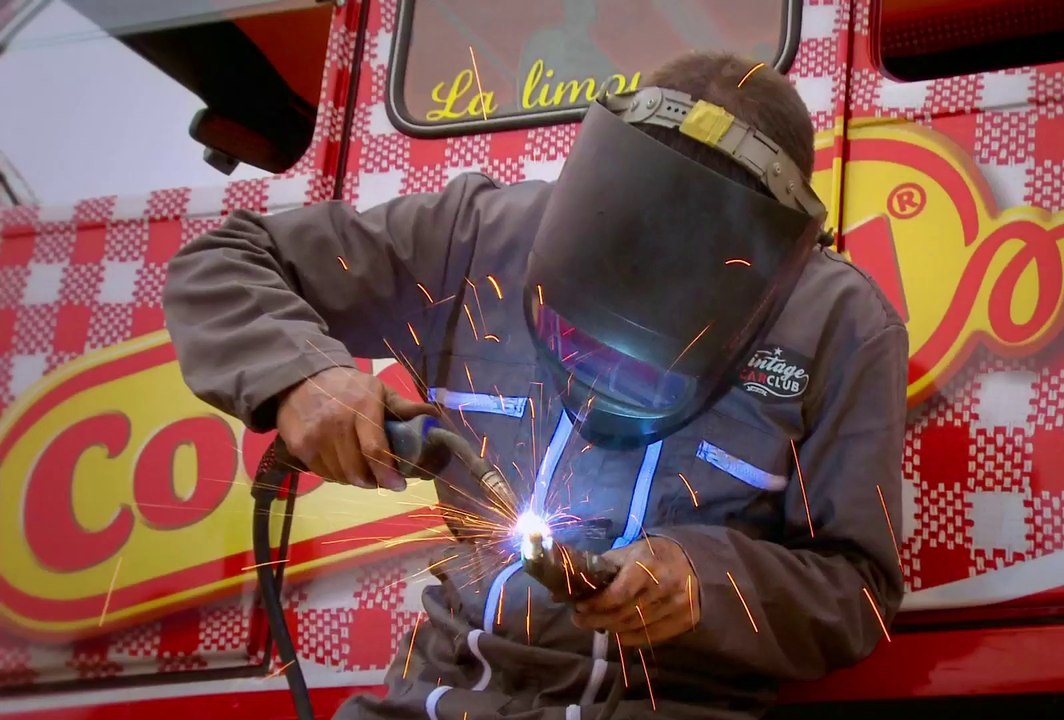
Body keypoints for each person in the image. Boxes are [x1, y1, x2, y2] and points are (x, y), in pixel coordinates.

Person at [163, 51, 908, 720]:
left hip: (673, 704)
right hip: (450, 693)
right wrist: (303, 378)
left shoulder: (839, 325)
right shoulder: (481, 237)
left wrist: (706, 581)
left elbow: (856, 590)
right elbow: (226, 261)